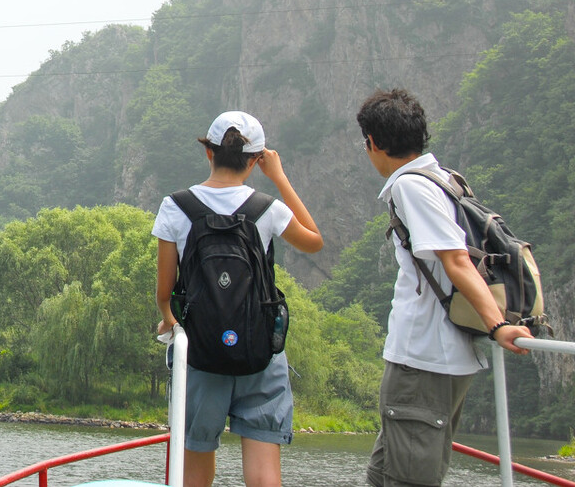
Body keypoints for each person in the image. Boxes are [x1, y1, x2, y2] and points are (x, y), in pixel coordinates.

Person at [357, 88, 533, 487]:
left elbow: (456, 260)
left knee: (408, 478)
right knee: (383, 475)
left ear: (374, 143)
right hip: (435, 359)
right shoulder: (443, 179)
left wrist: (497, 325)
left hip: (424, 362)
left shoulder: (412, 187)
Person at [153, 111, 323, 487]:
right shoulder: (267, 208)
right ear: (254, 161)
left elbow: (164, 293)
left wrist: (169, 317)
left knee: (193, 472)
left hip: (200, 353)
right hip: (260, 352)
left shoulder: (176, 206)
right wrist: (277, 177)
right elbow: (314, 239)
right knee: (264, 478)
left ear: (209, 153)